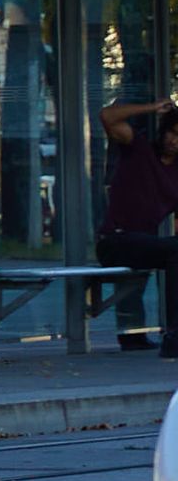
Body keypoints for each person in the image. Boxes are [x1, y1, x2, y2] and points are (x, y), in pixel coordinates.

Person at [101, 97, 178, 353]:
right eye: (171, 132)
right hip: (115, 240)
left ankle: (138, 338)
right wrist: (152, 107)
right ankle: (174, 336)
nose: (173, 141)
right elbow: (107, 116)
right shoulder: (139, 148)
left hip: (146, 244)